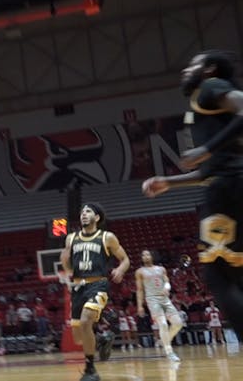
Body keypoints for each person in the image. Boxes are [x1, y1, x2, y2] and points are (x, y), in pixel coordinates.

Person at [142, 50, 243, 342]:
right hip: (230, 183)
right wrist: (168, 182)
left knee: (217, 275)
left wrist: (206, 149)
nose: (186, 70)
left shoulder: (209, 88)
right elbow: (210, 170)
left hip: (226, 189)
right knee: (234, 276)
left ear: (209, 69)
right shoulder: (204, 109)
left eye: (193, 65)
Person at [60, 203, 130, 381]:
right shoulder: (71, 238)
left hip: (97, 284)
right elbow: (66, 261)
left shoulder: (107, 237)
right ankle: (100, 340)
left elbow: (125, 259)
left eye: (88, 211)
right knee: (78, 337)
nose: (83, 214)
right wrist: (67, 269)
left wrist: (120, 270)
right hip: (77, 288)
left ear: (97, 217)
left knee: (85, 321)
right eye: (82, 211)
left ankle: (90, 370)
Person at [135, 250, 183, 361]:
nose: (146, 256)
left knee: (178, 323)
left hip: (165, 299)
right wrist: (140, 306)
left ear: (152, 256)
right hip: (152, 300)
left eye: (148, 254)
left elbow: (167, 280)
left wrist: (167, 287)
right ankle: (169, 352)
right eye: (143, 255)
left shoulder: (161, 269)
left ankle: (164, 340)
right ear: (141, 258)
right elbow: (140, 289)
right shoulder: (140, 272)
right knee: (163, 324)